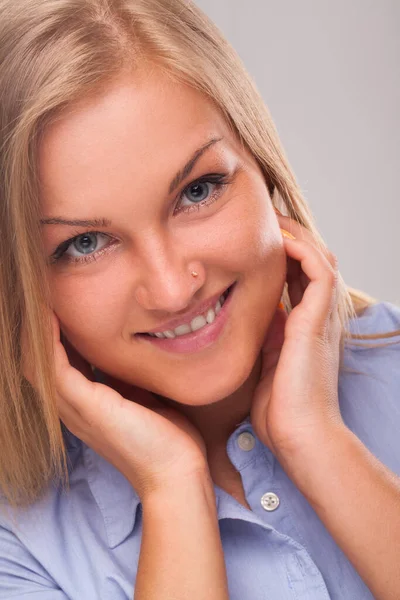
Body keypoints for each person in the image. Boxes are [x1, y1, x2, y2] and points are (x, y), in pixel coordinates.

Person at [0, 0, 399, 598]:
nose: (172, 288)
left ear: (262, 166)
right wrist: (170, 487)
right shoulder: (20, 549)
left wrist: (316, 441)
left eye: (198, 190)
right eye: (85, 243)